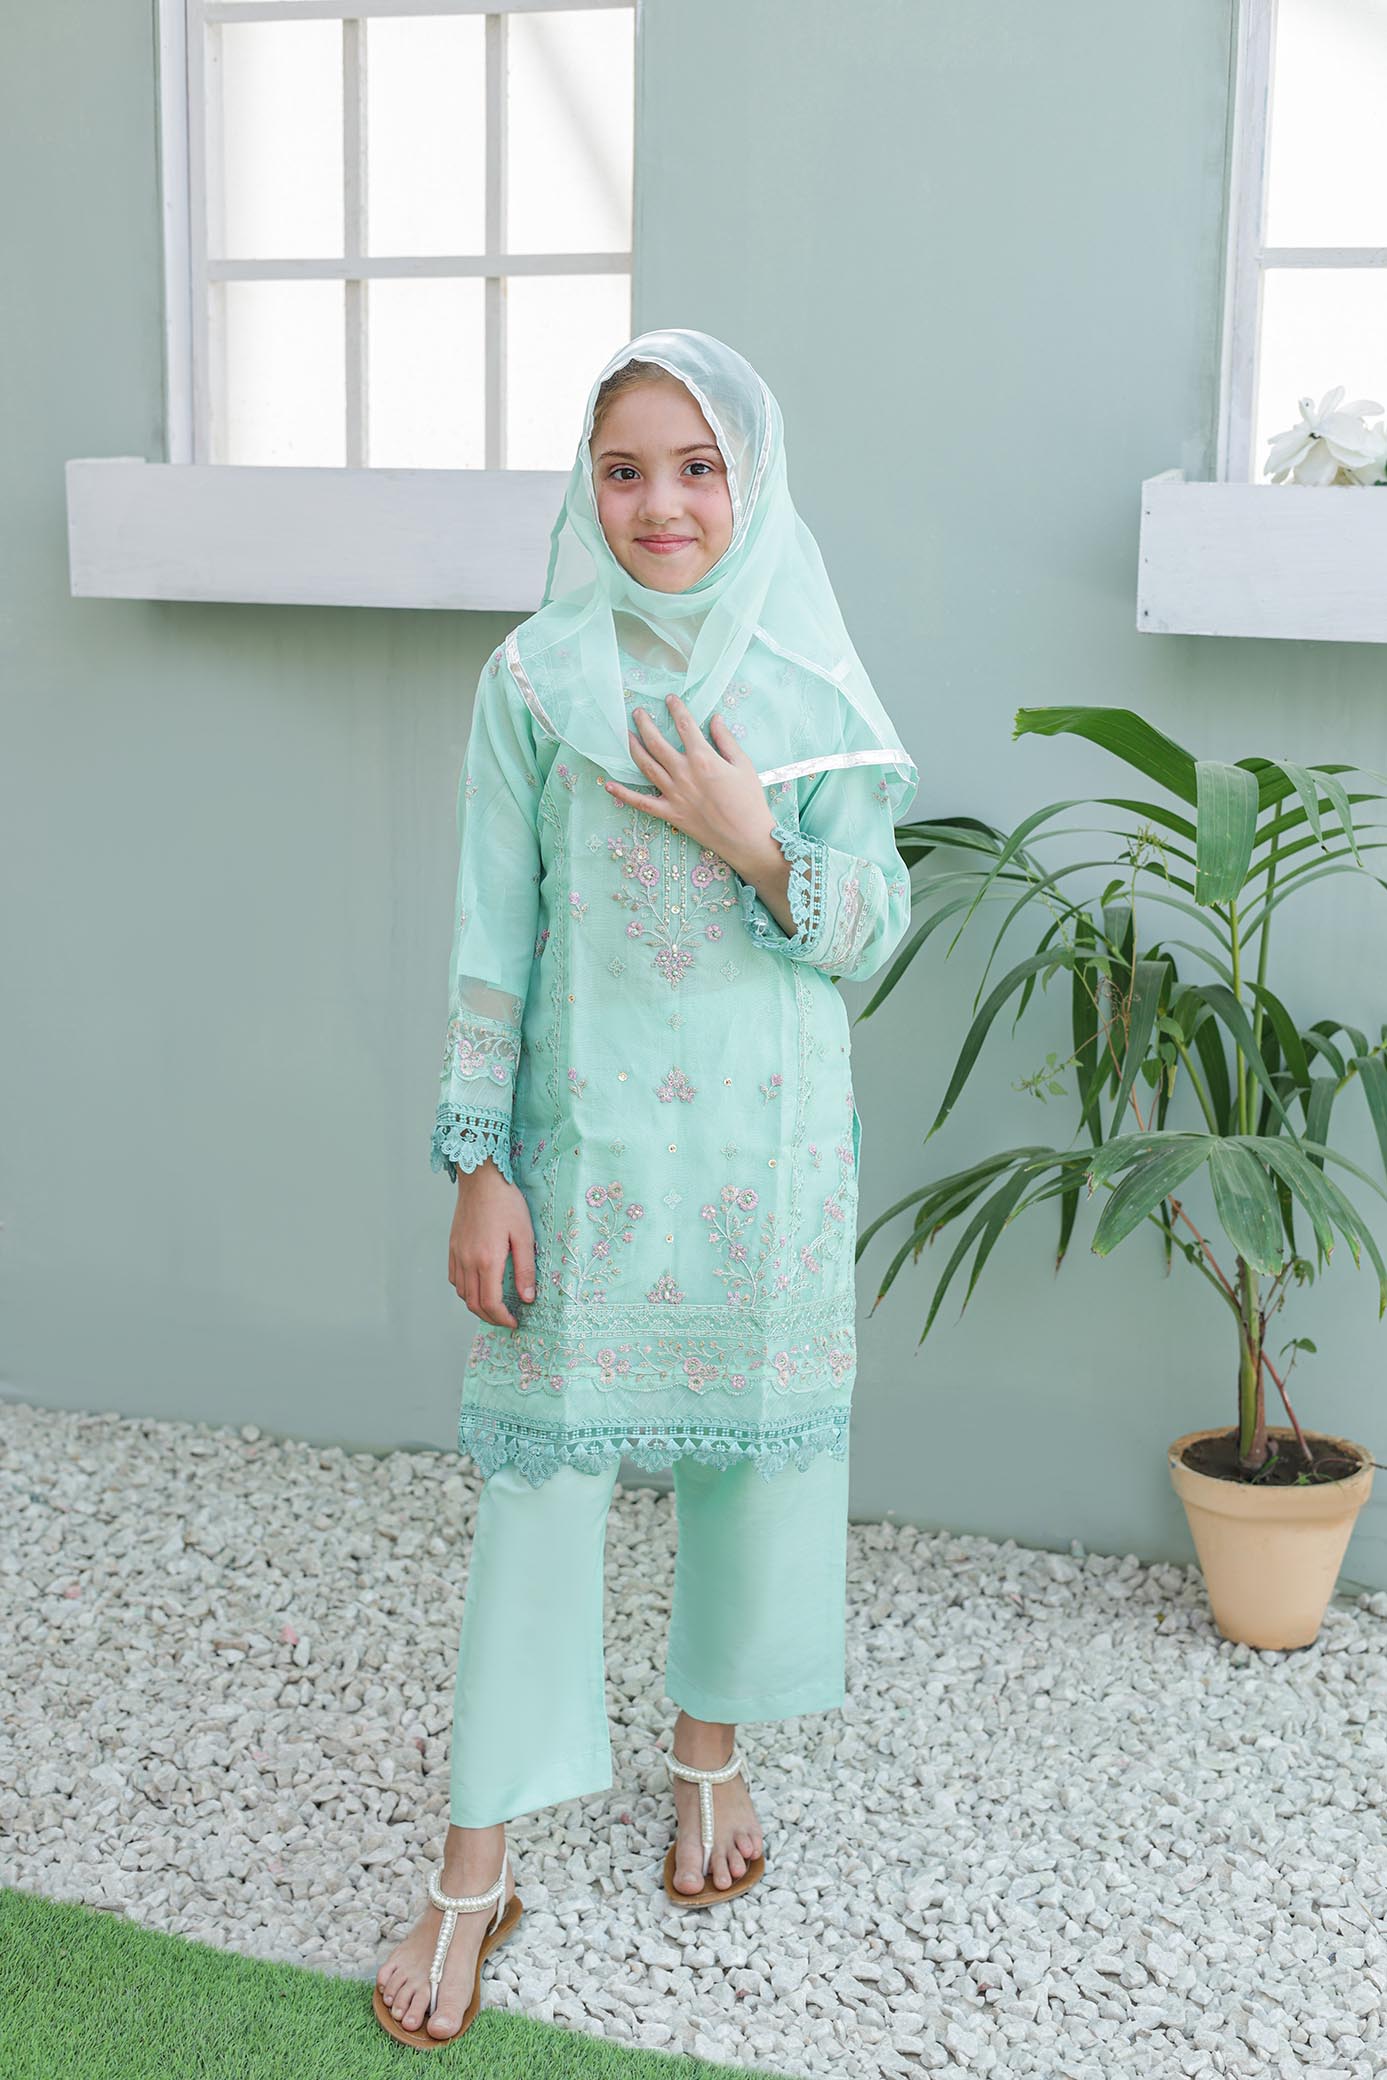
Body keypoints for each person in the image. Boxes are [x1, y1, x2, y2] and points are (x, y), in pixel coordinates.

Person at [375, 327, 919, 2046]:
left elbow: (867, 942)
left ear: (749, 482)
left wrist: (757, 836)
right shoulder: (536, 679)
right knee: (541, 1497)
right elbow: (494, 942)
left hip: (767, 1148)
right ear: (584, 484)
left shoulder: (816, 687)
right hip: (589, 1156)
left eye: (697, 468)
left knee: (752, 1464)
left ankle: (711, 1753)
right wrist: (481, 1164)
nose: (661, 504)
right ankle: (476, 1866)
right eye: (625, 469)